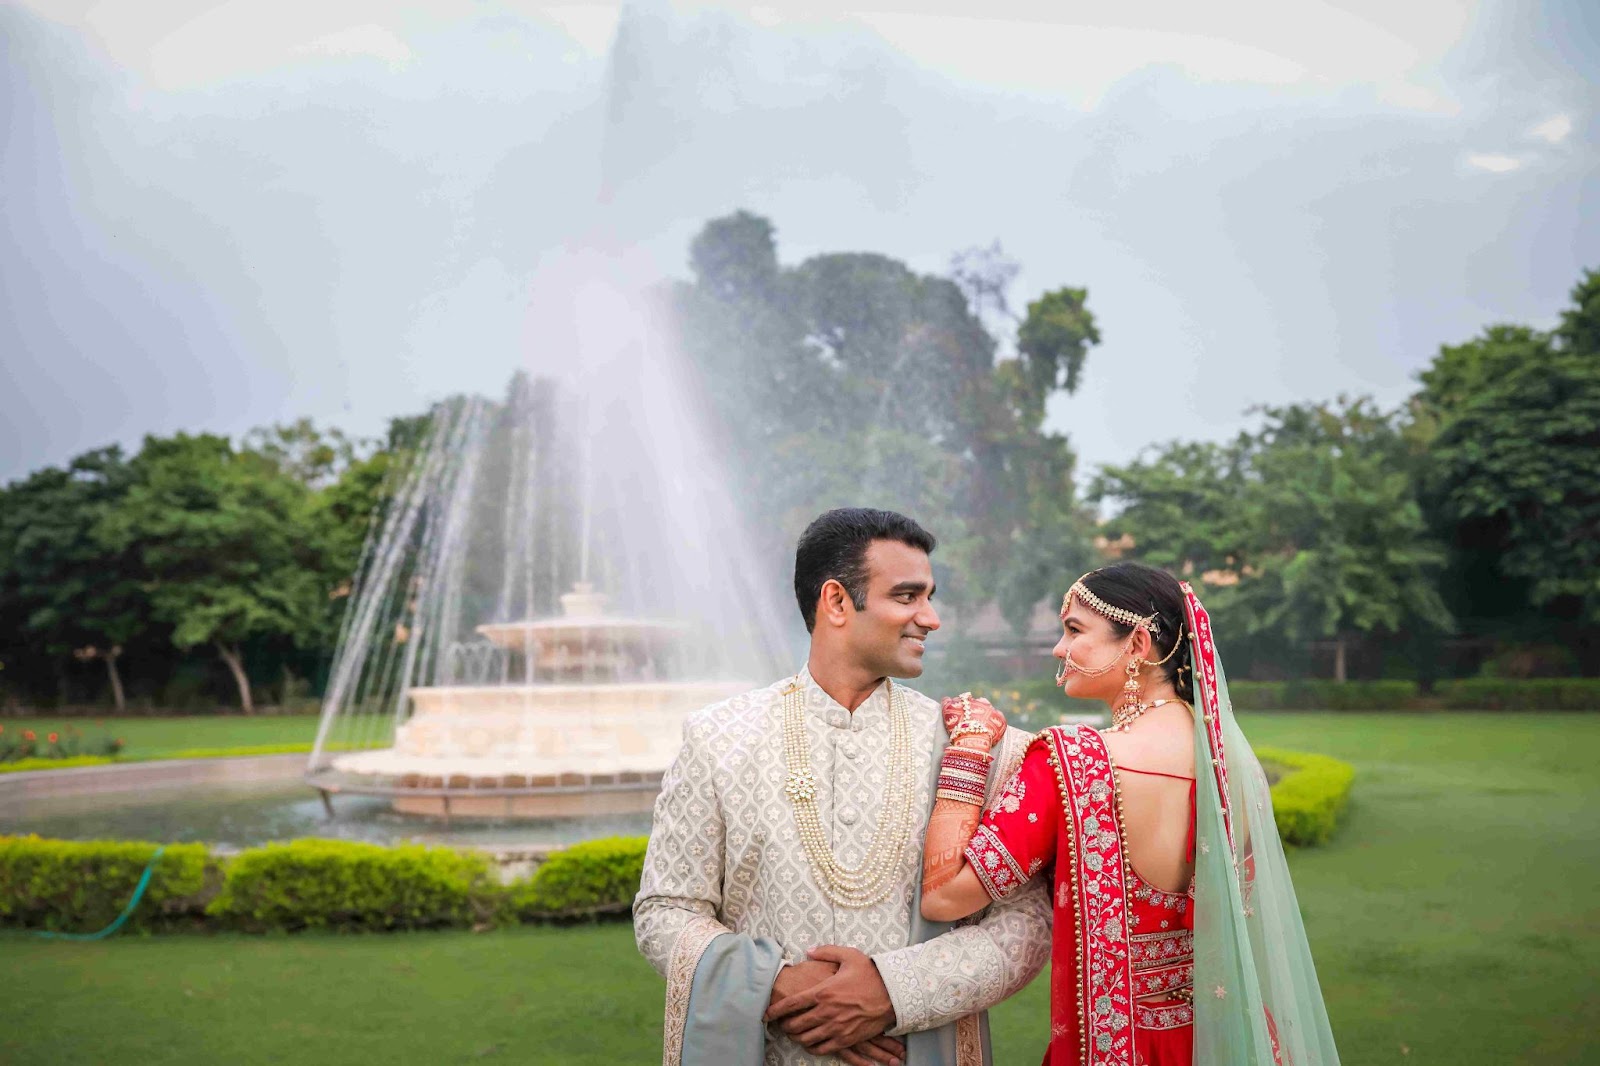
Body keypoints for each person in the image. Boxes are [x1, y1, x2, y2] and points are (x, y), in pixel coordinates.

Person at [635, 508, 1051, 1066]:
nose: (931, 618)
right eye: (907, 597)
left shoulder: (977, 745)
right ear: (835, 602)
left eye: (929, 597)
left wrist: (892, 992)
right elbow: (665, 910)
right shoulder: (719, 738)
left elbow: (1026, 920)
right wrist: (777, 987)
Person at [920, 563, 1342, 1065]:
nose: (1059, 648)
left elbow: (945, 896)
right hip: (1228, 1041)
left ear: (1138, 645)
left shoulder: (1071, 763)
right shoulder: (1234, 766)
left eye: (1075, 630)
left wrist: (969, 745)